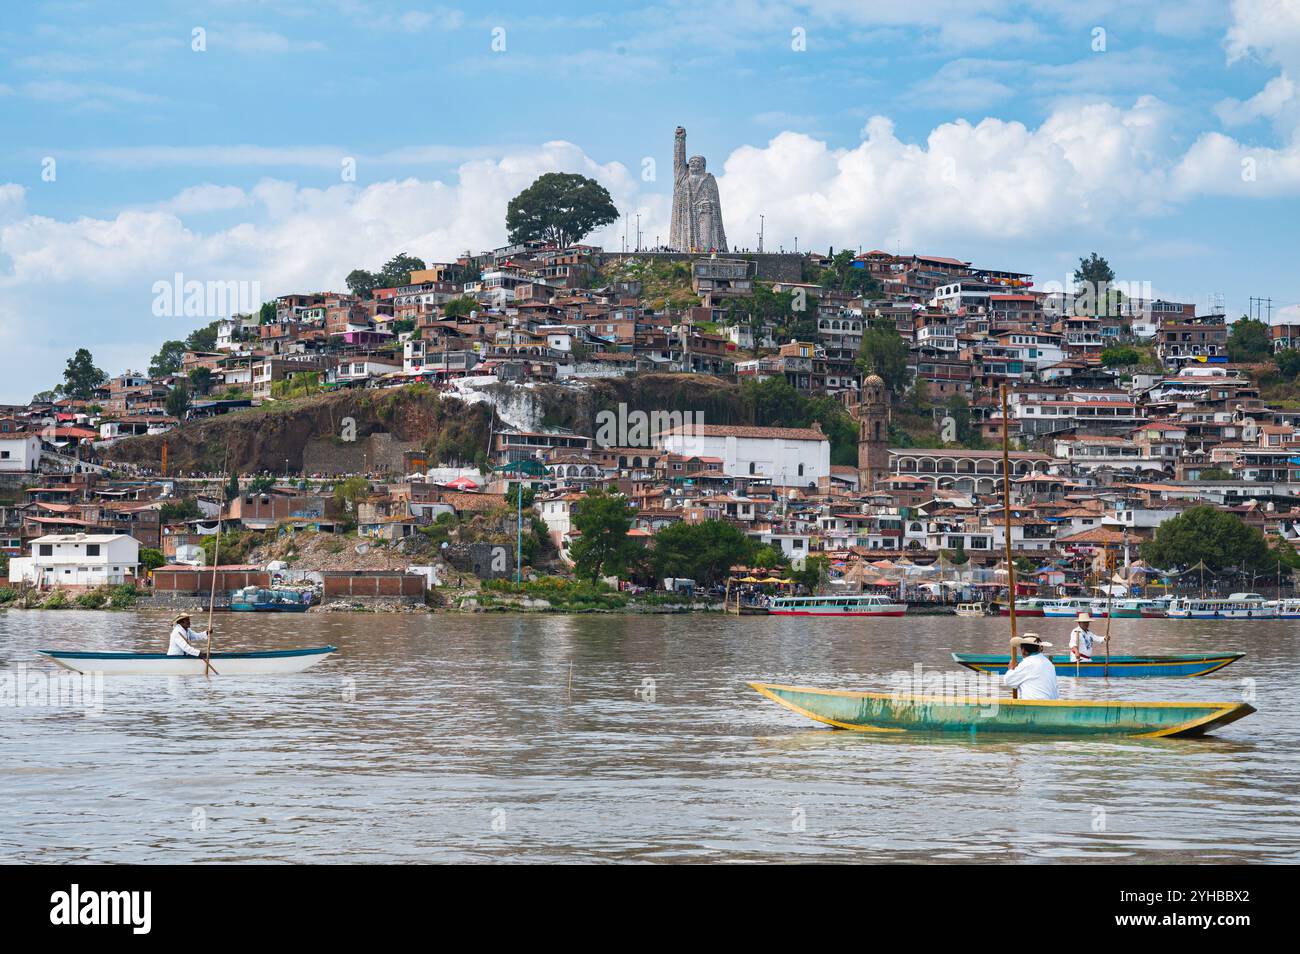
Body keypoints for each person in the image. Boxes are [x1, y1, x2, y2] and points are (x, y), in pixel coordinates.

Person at [1001, 633, 1059, 700]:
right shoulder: (1049, 663)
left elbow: (1008, 681)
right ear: (1039, 648)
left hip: (1033, 706)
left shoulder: (1026, 663)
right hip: (1051, 705)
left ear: (1023, 650)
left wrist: (1010, 669)